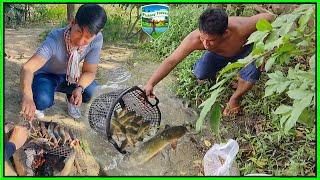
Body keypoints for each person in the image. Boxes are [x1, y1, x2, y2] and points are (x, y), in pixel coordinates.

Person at [144, 8, 275, 116]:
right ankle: (216, 75)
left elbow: (271, 18)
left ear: (225, 33)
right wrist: (151, 83)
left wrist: (264, 50)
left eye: (210, 40)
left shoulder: (242, 27)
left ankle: (235, 98)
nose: (205, 44)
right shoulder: (194, 39)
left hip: (246, 51)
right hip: (219, 55)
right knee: (200, 72)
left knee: (251, 75)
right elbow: (171, 61)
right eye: (202, 38)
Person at [20, 4, 107, 120]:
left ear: (97, 33)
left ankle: (72, 98)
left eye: (88, 37)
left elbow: (89, 71)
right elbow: (28, 68)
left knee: (92, 92)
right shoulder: (55, 39)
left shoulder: (97, 39)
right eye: (79, 32)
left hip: (71, 76)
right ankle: (35, 95)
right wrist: (27, 96)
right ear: (72, 22)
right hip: (47, 76)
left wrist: (79, 88)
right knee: (42, 100)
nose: (81, 41)